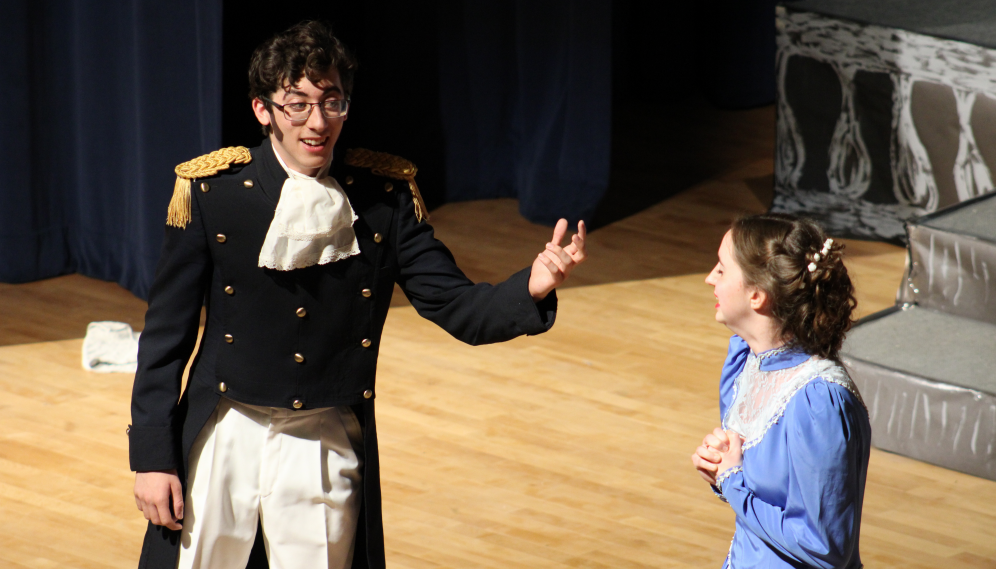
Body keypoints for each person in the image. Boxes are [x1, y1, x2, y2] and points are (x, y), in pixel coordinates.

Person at [129, 20, 587, 569]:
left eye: (331, 102)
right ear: (262, 109)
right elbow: (165, 337)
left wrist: (532, 286)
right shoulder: (213, 194)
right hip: (224, 429)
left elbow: (456, 307)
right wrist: (153, 458)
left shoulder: (384, 200)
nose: (317, 122)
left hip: (322, 439)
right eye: (296, 104)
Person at [691, 214, 871, 569]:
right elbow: (764, 492)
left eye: (722, 270)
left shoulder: (819, 402)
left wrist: (733, 481)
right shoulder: (746, 360)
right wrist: (721, 469)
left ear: (757, 295)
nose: (709, 277)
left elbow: (824, 546)